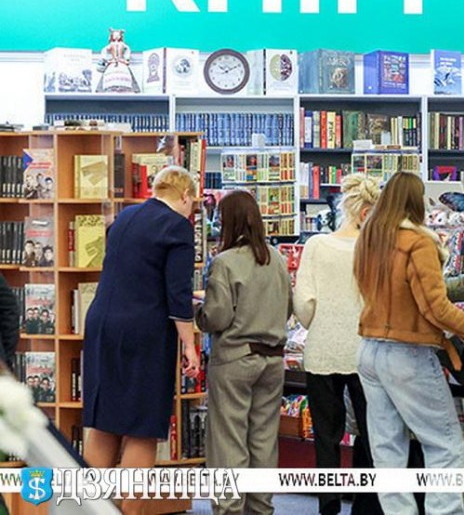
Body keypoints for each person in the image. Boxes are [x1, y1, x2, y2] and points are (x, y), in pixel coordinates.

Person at [354, 172, 464, 515]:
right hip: (408, 352)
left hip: (369, 349)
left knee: (387, 448)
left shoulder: (371, 238)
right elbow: (435, 307)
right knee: (443, 443)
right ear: (416, 201)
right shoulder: (417, 243)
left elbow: (402, 292)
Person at [82, 166, 199, 515]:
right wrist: (189, 345)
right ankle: (130, 511)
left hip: (102, 325)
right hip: (144, 331)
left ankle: (84, 508)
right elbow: (178, 294)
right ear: (185, 196)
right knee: (142, 426)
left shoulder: (126, 217)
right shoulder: (177, 226)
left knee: (104, 424)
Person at [196, 190, 292, 515]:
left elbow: (217, 317)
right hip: (273, 359)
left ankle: (229, 508)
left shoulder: (224, 262)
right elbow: (287, 307)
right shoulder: (277, 259)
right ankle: (261, 507)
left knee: (228, 439)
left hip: (235, 358)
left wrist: (197, 312)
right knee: (264, 439)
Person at [294, 174, 384, 515]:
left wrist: (320, 324)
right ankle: (367, 505)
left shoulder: (317, 246)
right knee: (372, 433)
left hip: (323, 351)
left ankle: (328, 505)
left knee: (326, 435)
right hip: (366, 351)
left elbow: (304, 302)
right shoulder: (376, 250)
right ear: (367, 212)